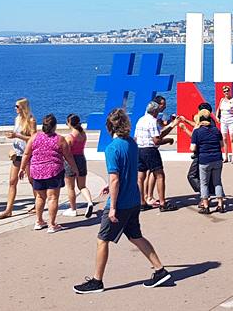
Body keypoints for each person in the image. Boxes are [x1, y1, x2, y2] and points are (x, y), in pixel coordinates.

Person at [73, 108, 172, 294]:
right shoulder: (132, 144)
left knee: (102, 240)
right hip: (134, 199)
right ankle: (160, 270)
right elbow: (125, 173)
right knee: (135, 236)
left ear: (110, 126)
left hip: (120, 203)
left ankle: (97, 281)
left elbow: (116, 178)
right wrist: (110, 186)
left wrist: (112, 207)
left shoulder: (112, 148)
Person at [20, 113, 79, 233]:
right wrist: (75, 168)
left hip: (37, 171)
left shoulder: (35, 137)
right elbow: (68, 156)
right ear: (54, 126)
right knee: (52, 198)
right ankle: (52, 224)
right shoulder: (60, 139)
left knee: (40, 197)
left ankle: (39, 221)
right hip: (54, 171)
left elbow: (26, 153)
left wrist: (22, 168)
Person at [134, 100, 177, 211]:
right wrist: (168, 140)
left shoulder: (140, 120)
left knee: (140, 177)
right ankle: (162, 203)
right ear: (155, 111)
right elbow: (156, 140)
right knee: (159, 175)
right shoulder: (152, 121)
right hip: (150, 150)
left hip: (139, 149)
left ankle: (141, 202)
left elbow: (135, 138)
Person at [0, 98, 36, 219]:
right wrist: (13, 137)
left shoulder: (31, 120)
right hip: (17, 154)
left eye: (17, 106)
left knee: (32, 181)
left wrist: (17, 135)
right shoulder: (17, 119)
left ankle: (37, 204)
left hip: (28, 155)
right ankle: (8, 209)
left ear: (23, 107)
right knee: (12, 181)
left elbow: (33, 138)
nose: (15, 108)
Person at [190, 109, 226, 213]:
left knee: (204, 183)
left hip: (204, 159)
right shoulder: (216, 130)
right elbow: (222, 145)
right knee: (217, 182)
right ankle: (220, 204)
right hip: (217, 158)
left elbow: (192, 148)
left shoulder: (197, 132)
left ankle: (206, 206)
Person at [63, 114, 96, 218]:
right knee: (82, 186)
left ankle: (73, 209)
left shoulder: (69, 137)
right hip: (81, 159)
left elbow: (66, 153)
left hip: (71, 162)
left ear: (69, 123)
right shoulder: (83, 134)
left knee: (70, 187)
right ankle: (89, 202)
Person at [216, 85, 233, 163]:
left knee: (232, 138)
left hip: (231, 121)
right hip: (223, 121)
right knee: (224, 138)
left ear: (229, 91)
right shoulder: (222, 100)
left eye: (227, 91)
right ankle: (226, 157)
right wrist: (217, 116)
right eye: (224, 91)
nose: (226, 92)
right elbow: (218, 109)